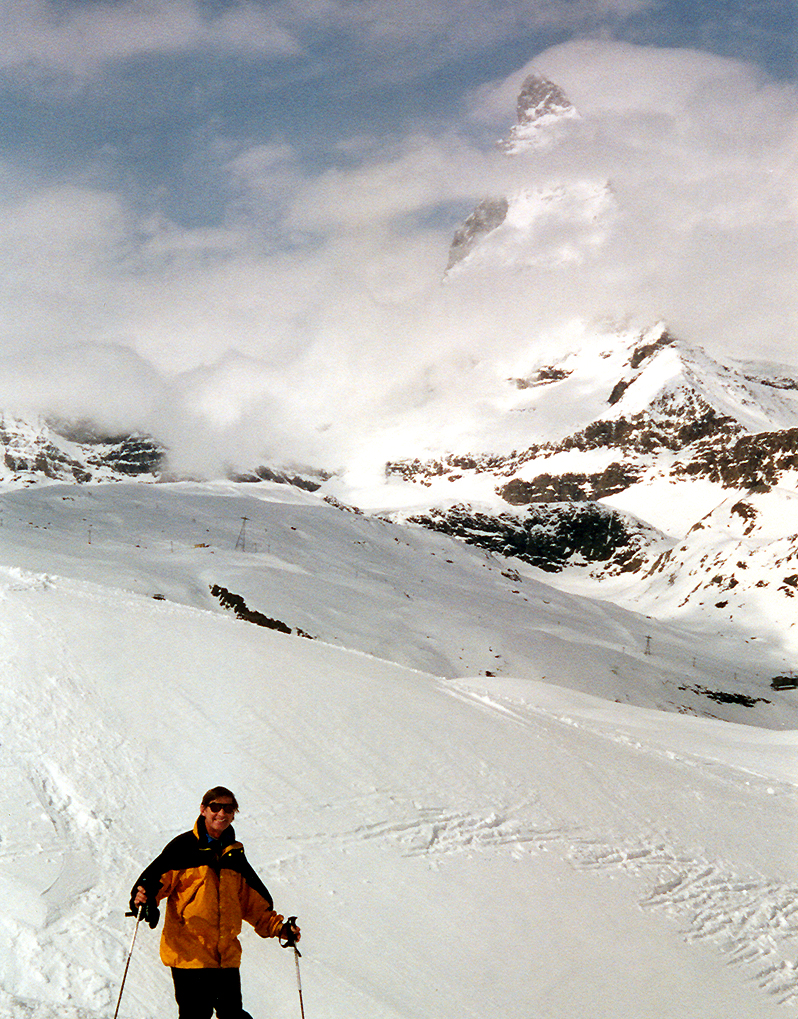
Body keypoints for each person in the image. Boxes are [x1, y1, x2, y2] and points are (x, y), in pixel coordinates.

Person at [130, 786, 300, 1019]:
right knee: (196, 1016)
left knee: (232, 1015)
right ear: (203, 810)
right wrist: (144, 900)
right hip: (190, 955)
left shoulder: (234, 854)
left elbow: (252, 902)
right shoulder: (183, 847)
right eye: (215, 807)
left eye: (228, 808)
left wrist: (279, 928)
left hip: (225, 957)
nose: (221, 813)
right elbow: (153, 882)